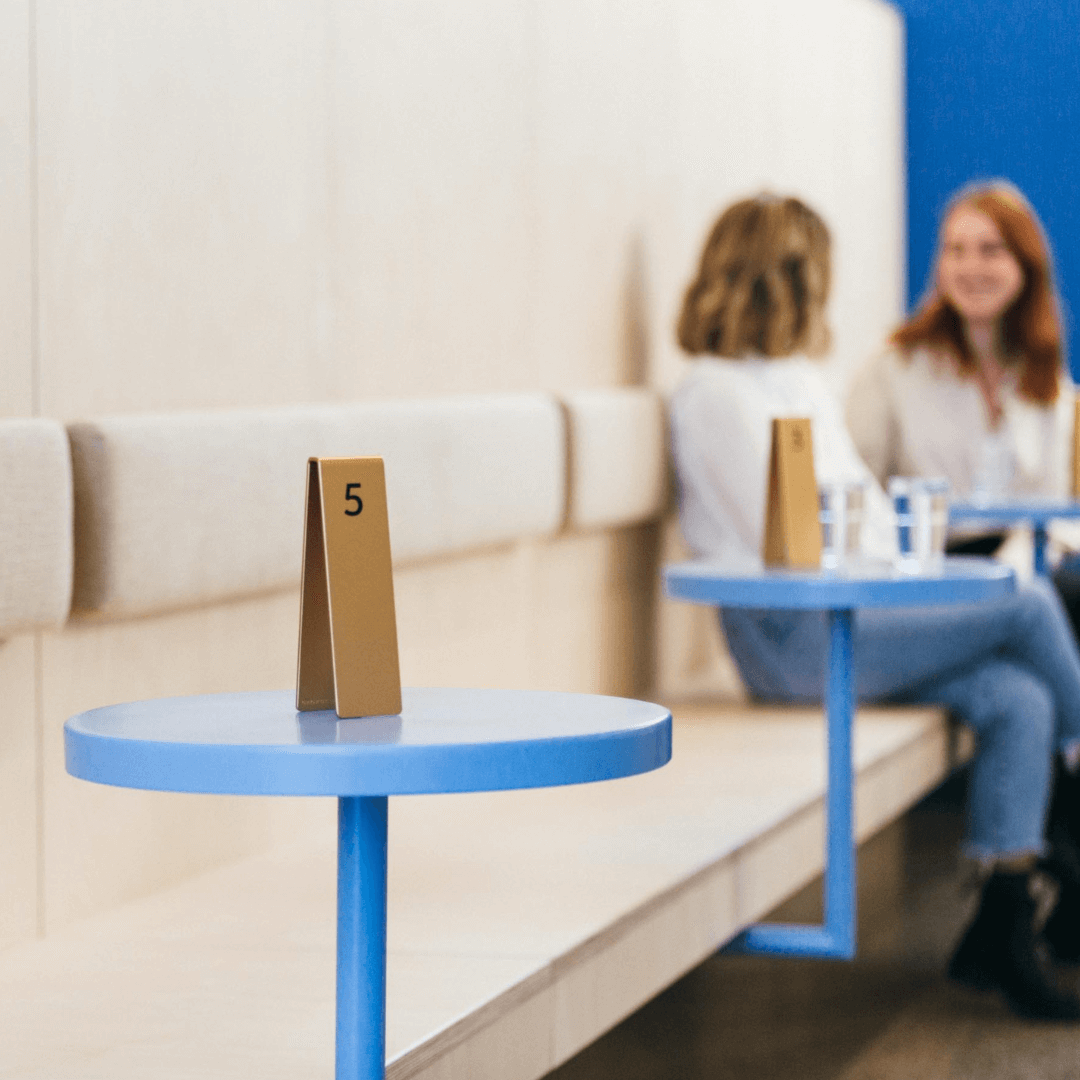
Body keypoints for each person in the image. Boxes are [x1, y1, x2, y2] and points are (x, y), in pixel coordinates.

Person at [670, 194, 1080, 1020]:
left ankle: (1000, 921)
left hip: (854, 616)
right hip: (792, 640)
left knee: (1019, 696)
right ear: (784, 279)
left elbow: (853, 501)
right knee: (1030, 603)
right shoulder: (713, 395)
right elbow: (791, 531)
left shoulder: (797, 382)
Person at [846, 181, 1079, 588]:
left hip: (1029, 572)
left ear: (1026, 264)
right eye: (956, 250)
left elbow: (1059, 512)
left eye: (991, 250)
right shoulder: (893, 370)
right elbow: (855, 492)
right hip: (929, 572)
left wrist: (1016, 567)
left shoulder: (1049, 383)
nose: (971, 268)